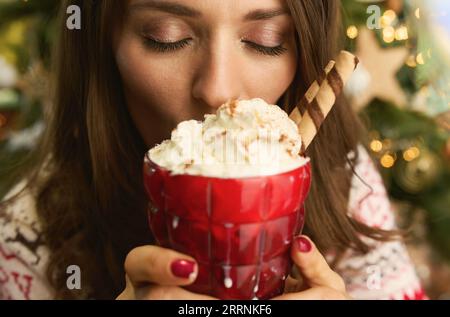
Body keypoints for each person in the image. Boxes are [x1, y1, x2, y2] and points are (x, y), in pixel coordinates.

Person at [0, 0, 426, 300]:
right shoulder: (23, 238)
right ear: (102, 43)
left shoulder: (344, 180)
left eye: (266, 39)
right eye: (166, 37)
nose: (218, 90)